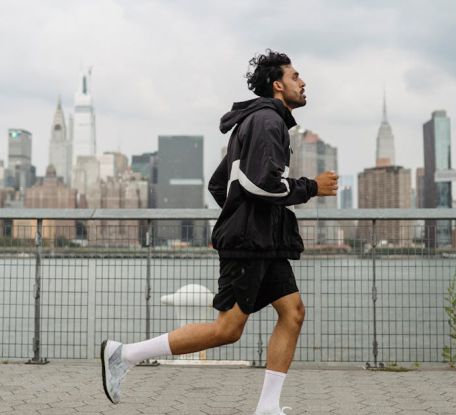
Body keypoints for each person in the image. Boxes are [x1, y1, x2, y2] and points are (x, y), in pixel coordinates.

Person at [101, 49, 339, 415]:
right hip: (250, 242)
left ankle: (268, 407)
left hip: (263, 241)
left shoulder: (262, 122)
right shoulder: (266, 122)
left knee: (293, 313)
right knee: (227, 329)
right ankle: (125, 354)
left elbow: (219, 184)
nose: (303, 82)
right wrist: (311, 187)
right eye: (295, 77)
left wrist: (237, 215)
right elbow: (262, 184)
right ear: (278, 86)